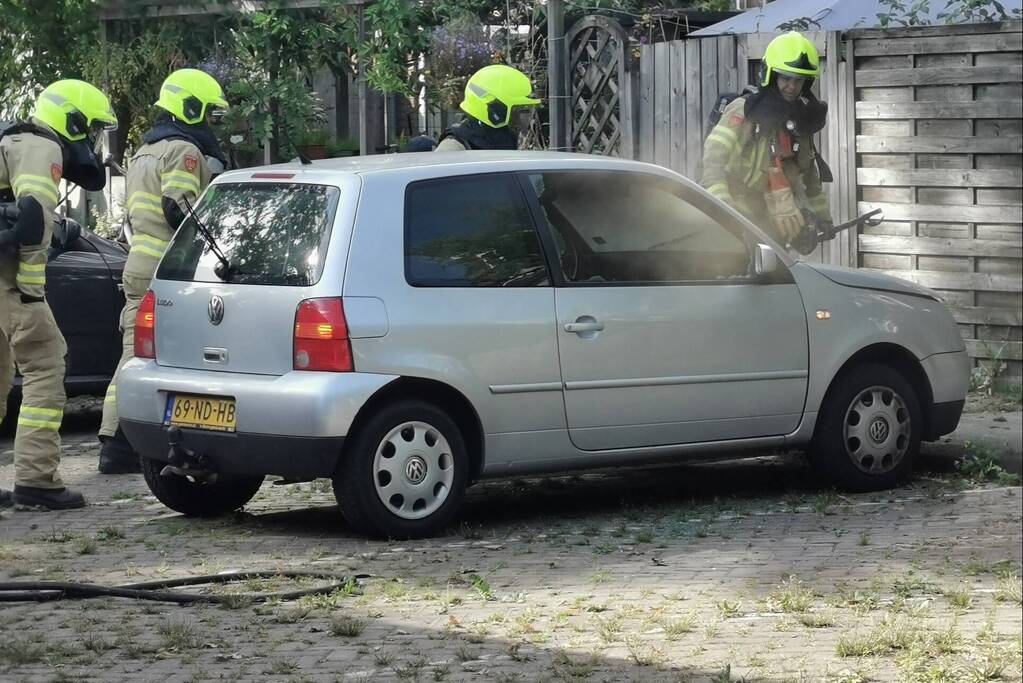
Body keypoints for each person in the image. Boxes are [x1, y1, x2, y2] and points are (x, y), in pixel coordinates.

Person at [96, 68, 228, 474]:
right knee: (163, 358)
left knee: (135, 356)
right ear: (190, 110)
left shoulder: (144, 151)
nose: (208, 124)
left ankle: (120, 442)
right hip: (168, 269)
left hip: (140, 263)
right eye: (206, 114)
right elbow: (180, 209)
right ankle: (135, 445)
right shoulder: (182, 151)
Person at [0, 79, 116, 509]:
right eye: (90, 129)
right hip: (13, 283)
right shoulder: (40, 147)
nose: (91, 141)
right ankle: (37, 480)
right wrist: (30, 293)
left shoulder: (12, 138)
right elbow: (32, 221)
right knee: (47, 366)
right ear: (71, 120)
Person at [700, 31, 833, 248]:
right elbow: (712, 163)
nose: (792, 86)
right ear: (771, 75)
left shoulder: (799, 122)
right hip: (735, 214)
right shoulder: (744, 110)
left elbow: (809, 178)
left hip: (770, 217)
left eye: (799, 80)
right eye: (786, 78)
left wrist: (822, 218)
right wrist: (725, 212)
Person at [435, 65, 540, 151]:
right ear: (495, 111)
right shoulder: (453, 147)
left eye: (528, 110)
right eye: (518, 111)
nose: (523, 120)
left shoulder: (504, 138)